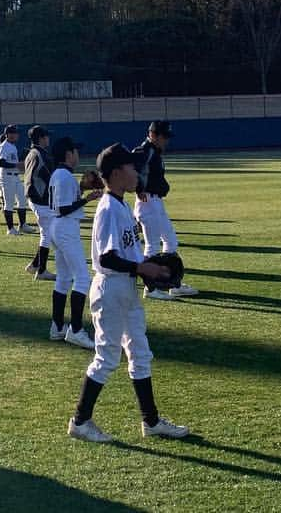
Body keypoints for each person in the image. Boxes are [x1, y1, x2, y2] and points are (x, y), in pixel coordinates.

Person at [68, 143, 189, 443]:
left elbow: (127, 253)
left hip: (124, 288)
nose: (137, 172)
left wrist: (151, 268)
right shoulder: (109, 208)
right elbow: (108, 258)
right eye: (132, 167)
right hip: (110, 289)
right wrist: (142, 270)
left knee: (140, 353)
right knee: (107, 357)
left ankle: (151, 421)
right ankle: (80, 421)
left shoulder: (121, 204)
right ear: (117, 172)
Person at [131, 121, 198, 300]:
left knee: (171, 241)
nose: (166, 140)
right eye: (163, 137)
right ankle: (150, 288)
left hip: (156, 202)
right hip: (147, 202)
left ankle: (172, 284)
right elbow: (131, 169)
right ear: (153, 135)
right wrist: (139, 189)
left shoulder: (154, 151)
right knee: (152, 246)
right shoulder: (145, 150)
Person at [48, 136, 101, 349]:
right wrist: (86, 199)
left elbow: (63, 204)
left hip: (58, 227)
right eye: (75, 151)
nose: (77, 154)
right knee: (82, 278)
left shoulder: (60, 175)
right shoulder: (63, 176)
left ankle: (57, 327)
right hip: (65, 227)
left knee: (64, 278)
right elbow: (63, 208)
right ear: (68, 154)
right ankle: (76, 330)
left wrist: (81, 188)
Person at [23, 125, 56, 280]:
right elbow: (43, 175)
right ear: (40, 138)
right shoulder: (38, 154)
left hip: (36, 197)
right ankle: (41, 271)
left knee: (48, 233)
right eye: (46, 136)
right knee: (47, 234)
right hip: (40, 198)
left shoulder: (33, 152)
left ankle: (35, 264)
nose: (48, 138)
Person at [0, 124, 34, 236]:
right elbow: (1, 163)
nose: (15, 135)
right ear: (7, 135)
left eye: (16, 133)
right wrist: (17, 164)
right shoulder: (4, 146)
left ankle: (22, 225)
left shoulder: (13, 147)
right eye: (12, 133)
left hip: (15, 177)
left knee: (22, 200)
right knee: (9, 204)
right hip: (7, 177)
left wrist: (19, 166)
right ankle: (10, 229)